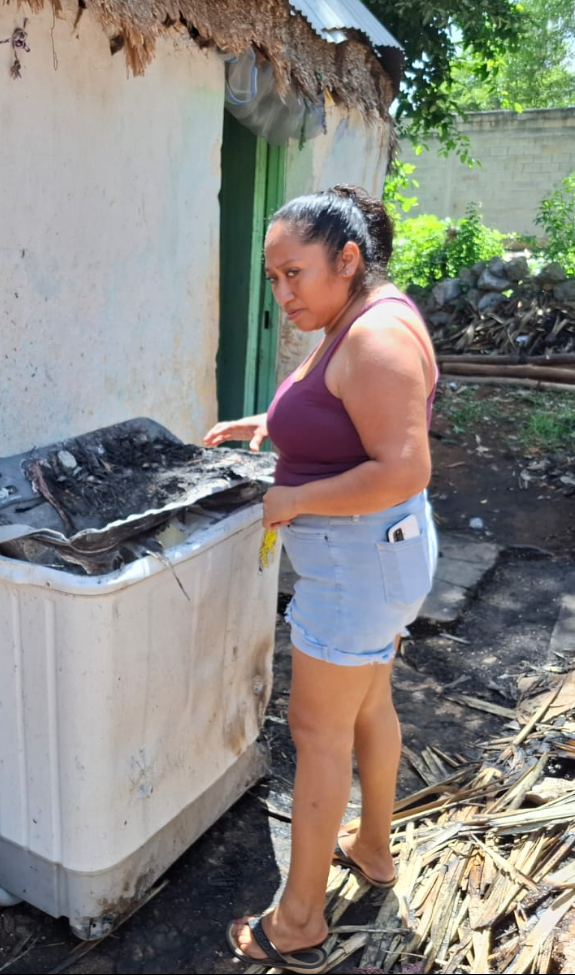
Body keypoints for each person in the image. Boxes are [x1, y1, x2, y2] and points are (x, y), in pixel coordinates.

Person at [204, 184, 439, 972]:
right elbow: (339, 410)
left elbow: (402, 467)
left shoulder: (374, 338)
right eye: (273, 278)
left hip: (358, 563)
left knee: (317, 729)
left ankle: (300, 921)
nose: (282, 293)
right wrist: (267, 425)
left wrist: (292, 496)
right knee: (370, 702)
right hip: (380, 557)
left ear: (347, 259)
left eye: (294, 273)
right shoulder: (364, 318)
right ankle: (374, 848)